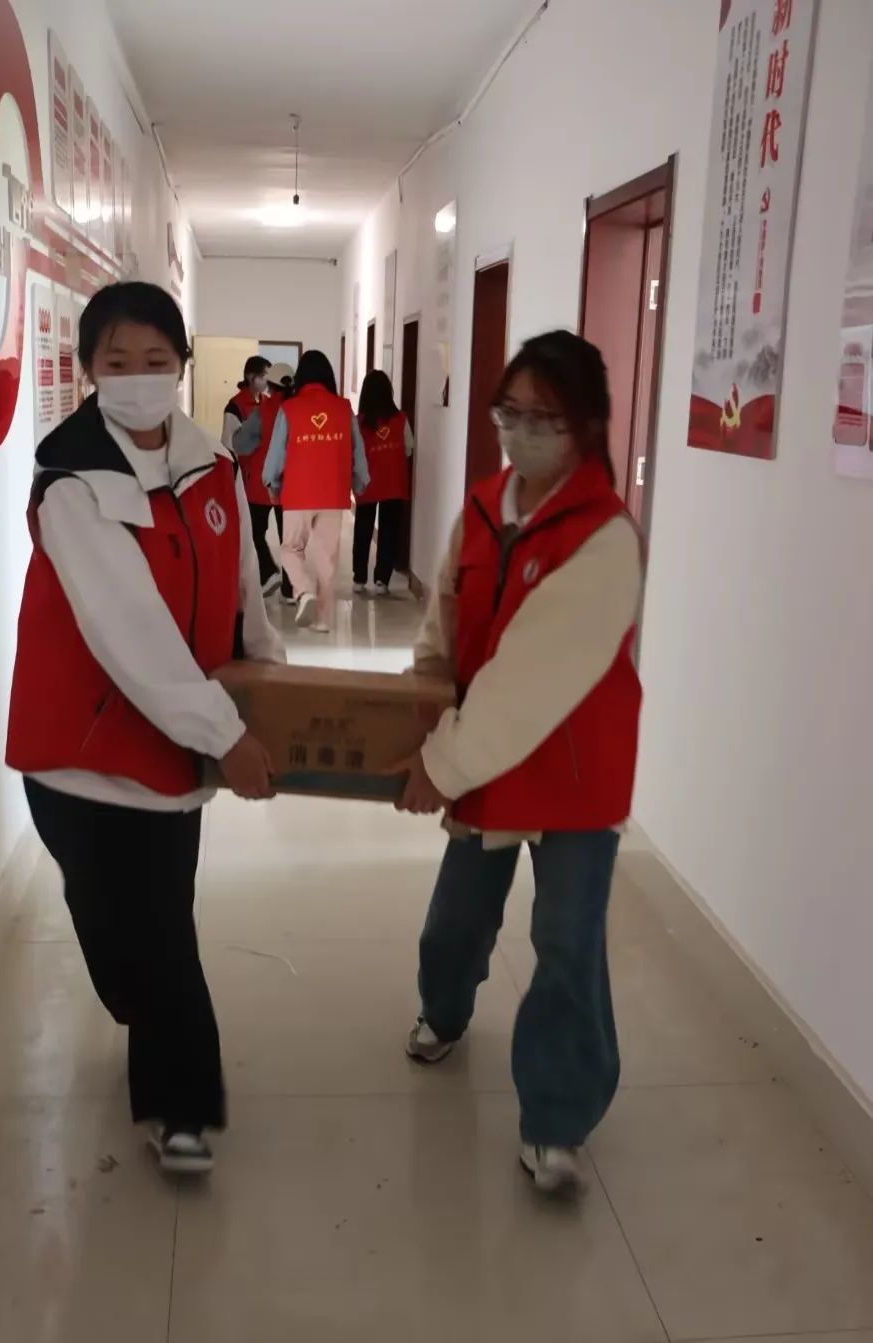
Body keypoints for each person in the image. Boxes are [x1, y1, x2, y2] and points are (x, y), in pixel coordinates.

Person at [6, 282, 284, 1178]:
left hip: (172, 755)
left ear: (181, 366)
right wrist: (224, 731)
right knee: (111, 925)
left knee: (164, 927)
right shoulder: (72, 483)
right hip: (77, 759)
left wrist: (270, 690)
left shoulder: (213, 467)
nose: (137, 377)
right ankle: (141, 1004)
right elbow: (128, 629)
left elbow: (242, 590)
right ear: (88, 369)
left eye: (155, 361)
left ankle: (180, 1109)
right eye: (116, 362)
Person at [396, 331, 643, 1197]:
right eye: (512, 412)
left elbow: (531, 681)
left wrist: (441, 763)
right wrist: (422, 687)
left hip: (572, 769)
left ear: (588, 425)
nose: (522, 432)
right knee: (457, 921)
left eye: (546, 418)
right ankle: (444, 1011)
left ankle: (557, 1120)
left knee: (566, 943)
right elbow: (445, 611)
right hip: (488, 759)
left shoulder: (604, 538)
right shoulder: (481, 505)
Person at [263, 350, 369, 633]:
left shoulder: (289, 409)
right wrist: (360, 483)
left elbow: (276, 454)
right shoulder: (344, 409)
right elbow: (358, 452)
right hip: (333, 494)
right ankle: (322, 621)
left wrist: (272, 483)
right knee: (326, 558)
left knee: (290, 549)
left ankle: (303, 590)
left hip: (297, 493)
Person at [232, 362, 296, 601]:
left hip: (262, 484)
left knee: (254, 533)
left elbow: (240, 444)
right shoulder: (298, 410)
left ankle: (268, 571)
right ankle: (290, 590)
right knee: (289, 540)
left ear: (271, 385)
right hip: (291, 485)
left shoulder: (262, 412)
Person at [352, 369, 414, 596]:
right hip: (393, 484)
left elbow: (352, 453)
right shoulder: (401, 420)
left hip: (366, 484)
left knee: (363, 529)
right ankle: (382, 581)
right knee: (389, 531)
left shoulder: (359, 423)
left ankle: (359, 579)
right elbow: (408, 449)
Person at [221, 354, 271, 452]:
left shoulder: (268, 401)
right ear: (250, 376)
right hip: (244, 459)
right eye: (263, 376)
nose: (267, 381)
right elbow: (228, 444)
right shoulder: (235, 406)